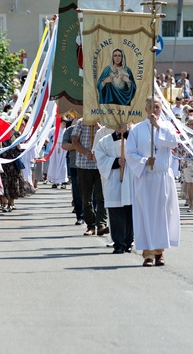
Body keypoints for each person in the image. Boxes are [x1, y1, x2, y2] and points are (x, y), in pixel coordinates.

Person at [125, 96, 182, 267]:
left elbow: (174, 143)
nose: (154, 109)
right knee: (145, 214)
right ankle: (147, 253)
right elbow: (130, 152)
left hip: (162, 177)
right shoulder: (137, 129)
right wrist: (143, 161)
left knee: (162, 214)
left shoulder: (167, 126)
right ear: (146, 109)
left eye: (157, 106)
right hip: (145, 178)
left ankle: (159, 252)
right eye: (151, 106)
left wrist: (158, 127)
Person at [94, 125, 134, 253]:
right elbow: (99, 158)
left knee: (130, 211)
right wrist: (116, 162)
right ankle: (119, 243)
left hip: (130, 177)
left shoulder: (135, 138)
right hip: (113, 178)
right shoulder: (104, 141)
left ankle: (128, 241)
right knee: (116, 212)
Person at [71, 118, 107, 236]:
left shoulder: (105, 120)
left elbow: (109, 136)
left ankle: (101, 223)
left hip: (100, 165)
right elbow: (74, 141)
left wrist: (97, 125)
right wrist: (87, 153)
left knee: (102, 197)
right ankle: (90, 225)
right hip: (84, 165)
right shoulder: (81, 122)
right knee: (86, 198)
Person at [60, 119, 84, 225]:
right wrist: (76, 146)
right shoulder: (70, 130)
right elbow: (64, 145)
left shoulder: (93, 129)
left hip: (91, 165)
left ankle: (93, 216)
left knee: (92, 192)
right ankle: (80, 216)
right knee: (77, 191)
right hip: (75, 164)